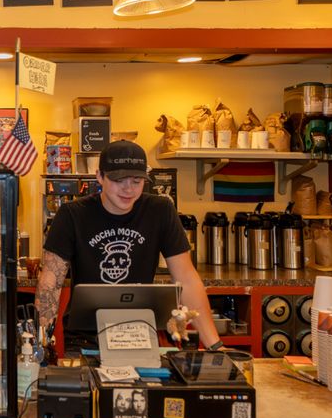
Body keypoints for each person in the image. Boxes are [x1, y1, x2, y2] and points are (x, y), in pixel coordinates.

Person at [36, 140, 222, 351]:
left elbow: (187, 280)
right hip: (85, 340)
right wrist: (40, 346)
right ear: (100, 176)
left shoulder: (160, 210)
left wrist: (216, 346)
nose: (128, 189)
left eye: (136, 181)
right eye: (118, 180)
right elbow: (49, 283)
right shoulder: (72, 214)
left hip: (139, 334)